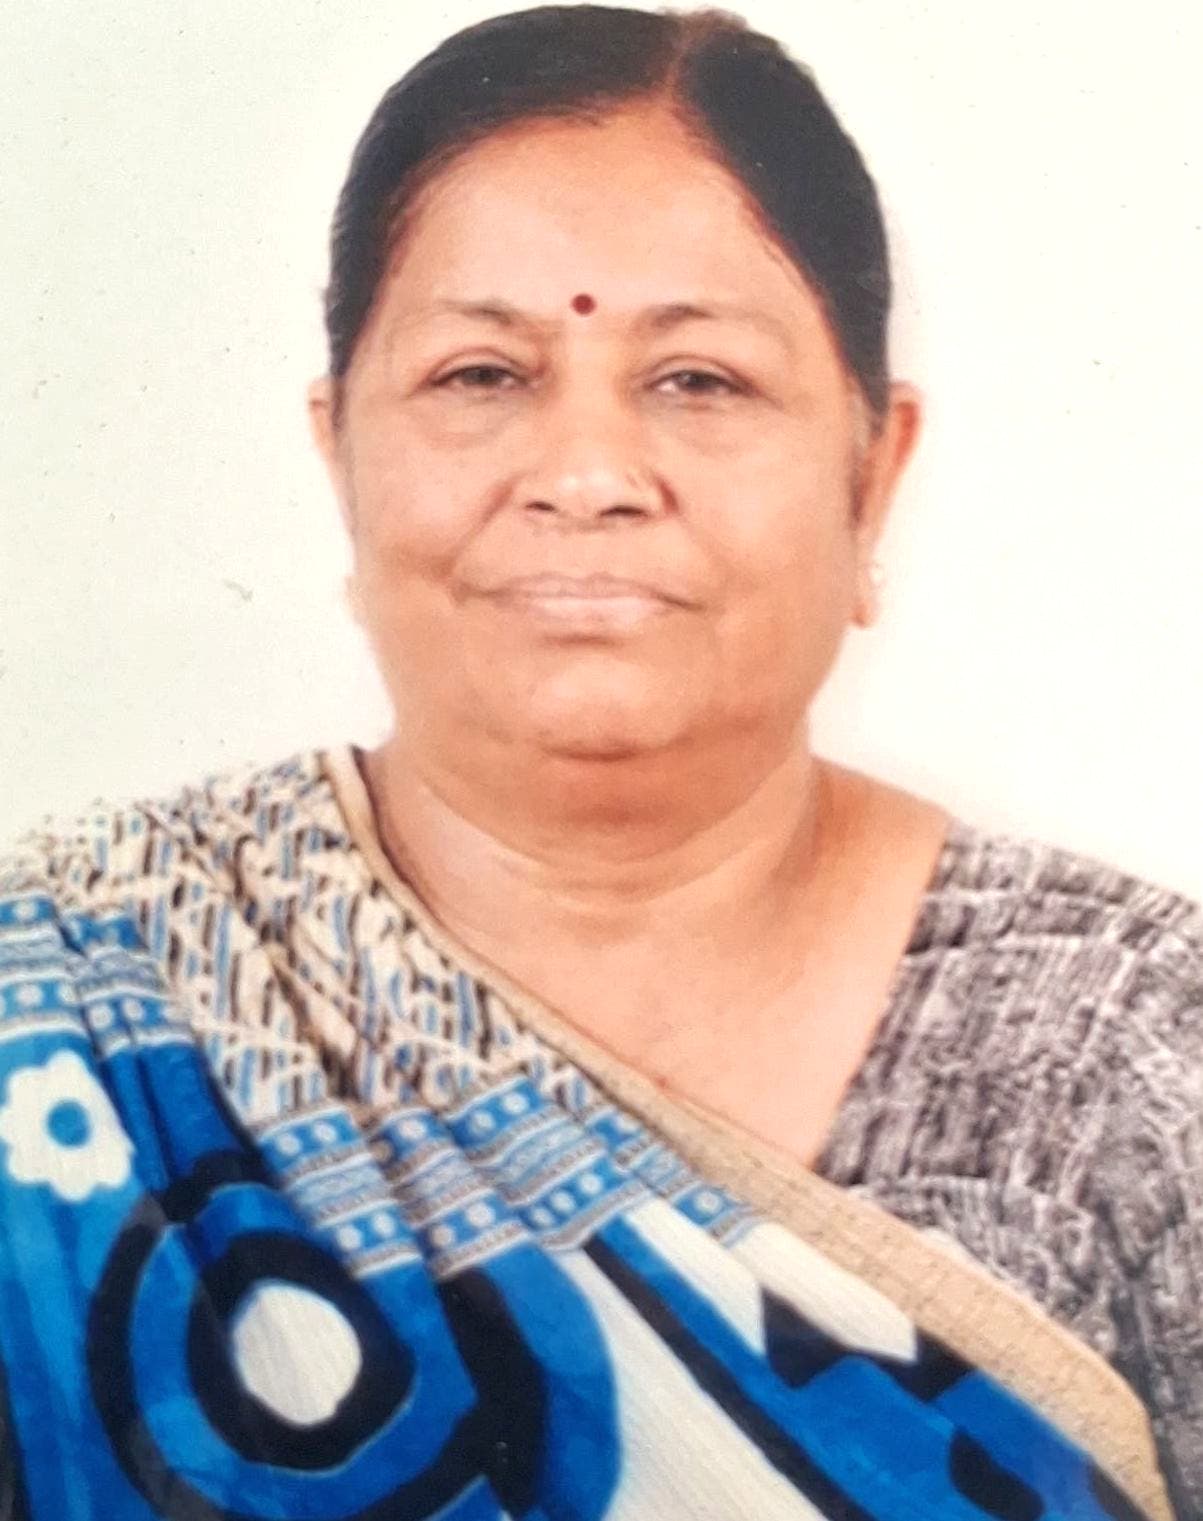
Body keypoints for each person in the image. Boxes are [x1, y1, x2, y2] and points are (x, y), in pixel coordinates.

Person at [0, 5, 1197, 1517]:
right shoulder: (70, 1002)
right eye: (480, 375)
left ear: (873, 473)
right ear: (339, 453)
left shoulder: (1139, 1057)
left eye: (699, 380)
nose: (584, 475)